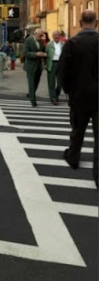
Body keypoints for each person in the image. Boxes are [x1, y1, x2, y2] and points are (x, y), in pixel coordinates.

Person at [58, 10, 98, 188]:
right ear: (96, 23)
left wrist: (68, 90)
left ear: (81, 23)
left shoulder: (72, 43)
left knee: (77, 130)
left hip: (79, 95)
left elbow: (63, 71)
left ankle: (73, 157)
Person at [23, 28, 47, 107]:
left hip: (39, 66)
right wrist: (35, 54)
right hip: (30, 66)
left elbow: (42, 50)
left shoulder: (41, 41)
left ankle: (31, 93)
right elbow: (26, 53)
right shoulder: (28, 40)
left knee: (36, 82)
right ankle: (33, 101)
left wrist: (44, 54)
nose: (41, 37)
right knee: (31, 83)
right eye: (40, 35)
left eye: (42, 35)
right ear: (35, 34)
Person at [45, 30, 64, 105]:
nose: (56, 36)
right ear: (52, 36)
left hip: (61, 64)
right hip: (52, 64)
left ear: (60, 36)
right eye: (54, 35)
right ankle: (53, 99)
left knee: (60, 83)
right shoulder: (49, 44)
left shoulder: (63, 44)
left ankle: (56, 95)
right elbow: (45, 55)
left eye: (57, 35)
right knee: (51, 83)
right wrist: (45, 64)